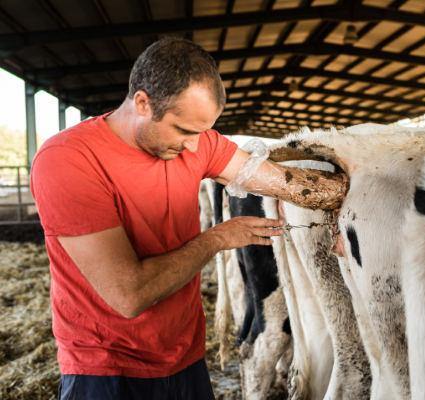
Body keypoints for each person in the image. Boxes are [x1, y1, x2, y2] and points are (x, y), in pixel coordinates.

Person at [30, 38, 344, 400]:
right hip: (107, 367)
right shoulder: (68, 160)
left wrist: (346, 188)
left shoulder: (200, 144)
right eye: (183, 130)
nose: (194, 146)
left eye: (203, 131)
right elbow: (130, 295)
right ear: (143, 103)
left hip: (186, 356)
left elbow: (285, 183)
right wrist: (217, 239)